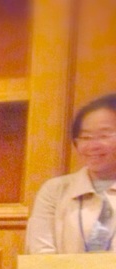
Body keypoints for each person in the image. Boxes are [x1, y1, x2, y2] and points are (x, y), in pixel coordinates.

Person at [26, 93, 116, 253]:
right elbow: (41, 253)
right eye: (86, 137)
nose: (93, 145)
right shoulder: (55, 191)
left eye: (104, 135)